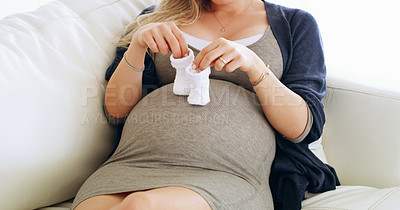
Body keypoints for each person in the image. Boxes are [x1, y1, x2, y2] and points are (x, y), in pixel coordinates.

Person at [72, 0, 340, 209]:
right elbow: (117, 110)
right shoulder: (158, 15)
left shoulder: (295, 24)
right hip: (132, 163)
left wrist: (255, 66)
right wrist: (138, 46)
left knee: (141, 205)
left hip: (224, 173)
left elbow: (301, 128)